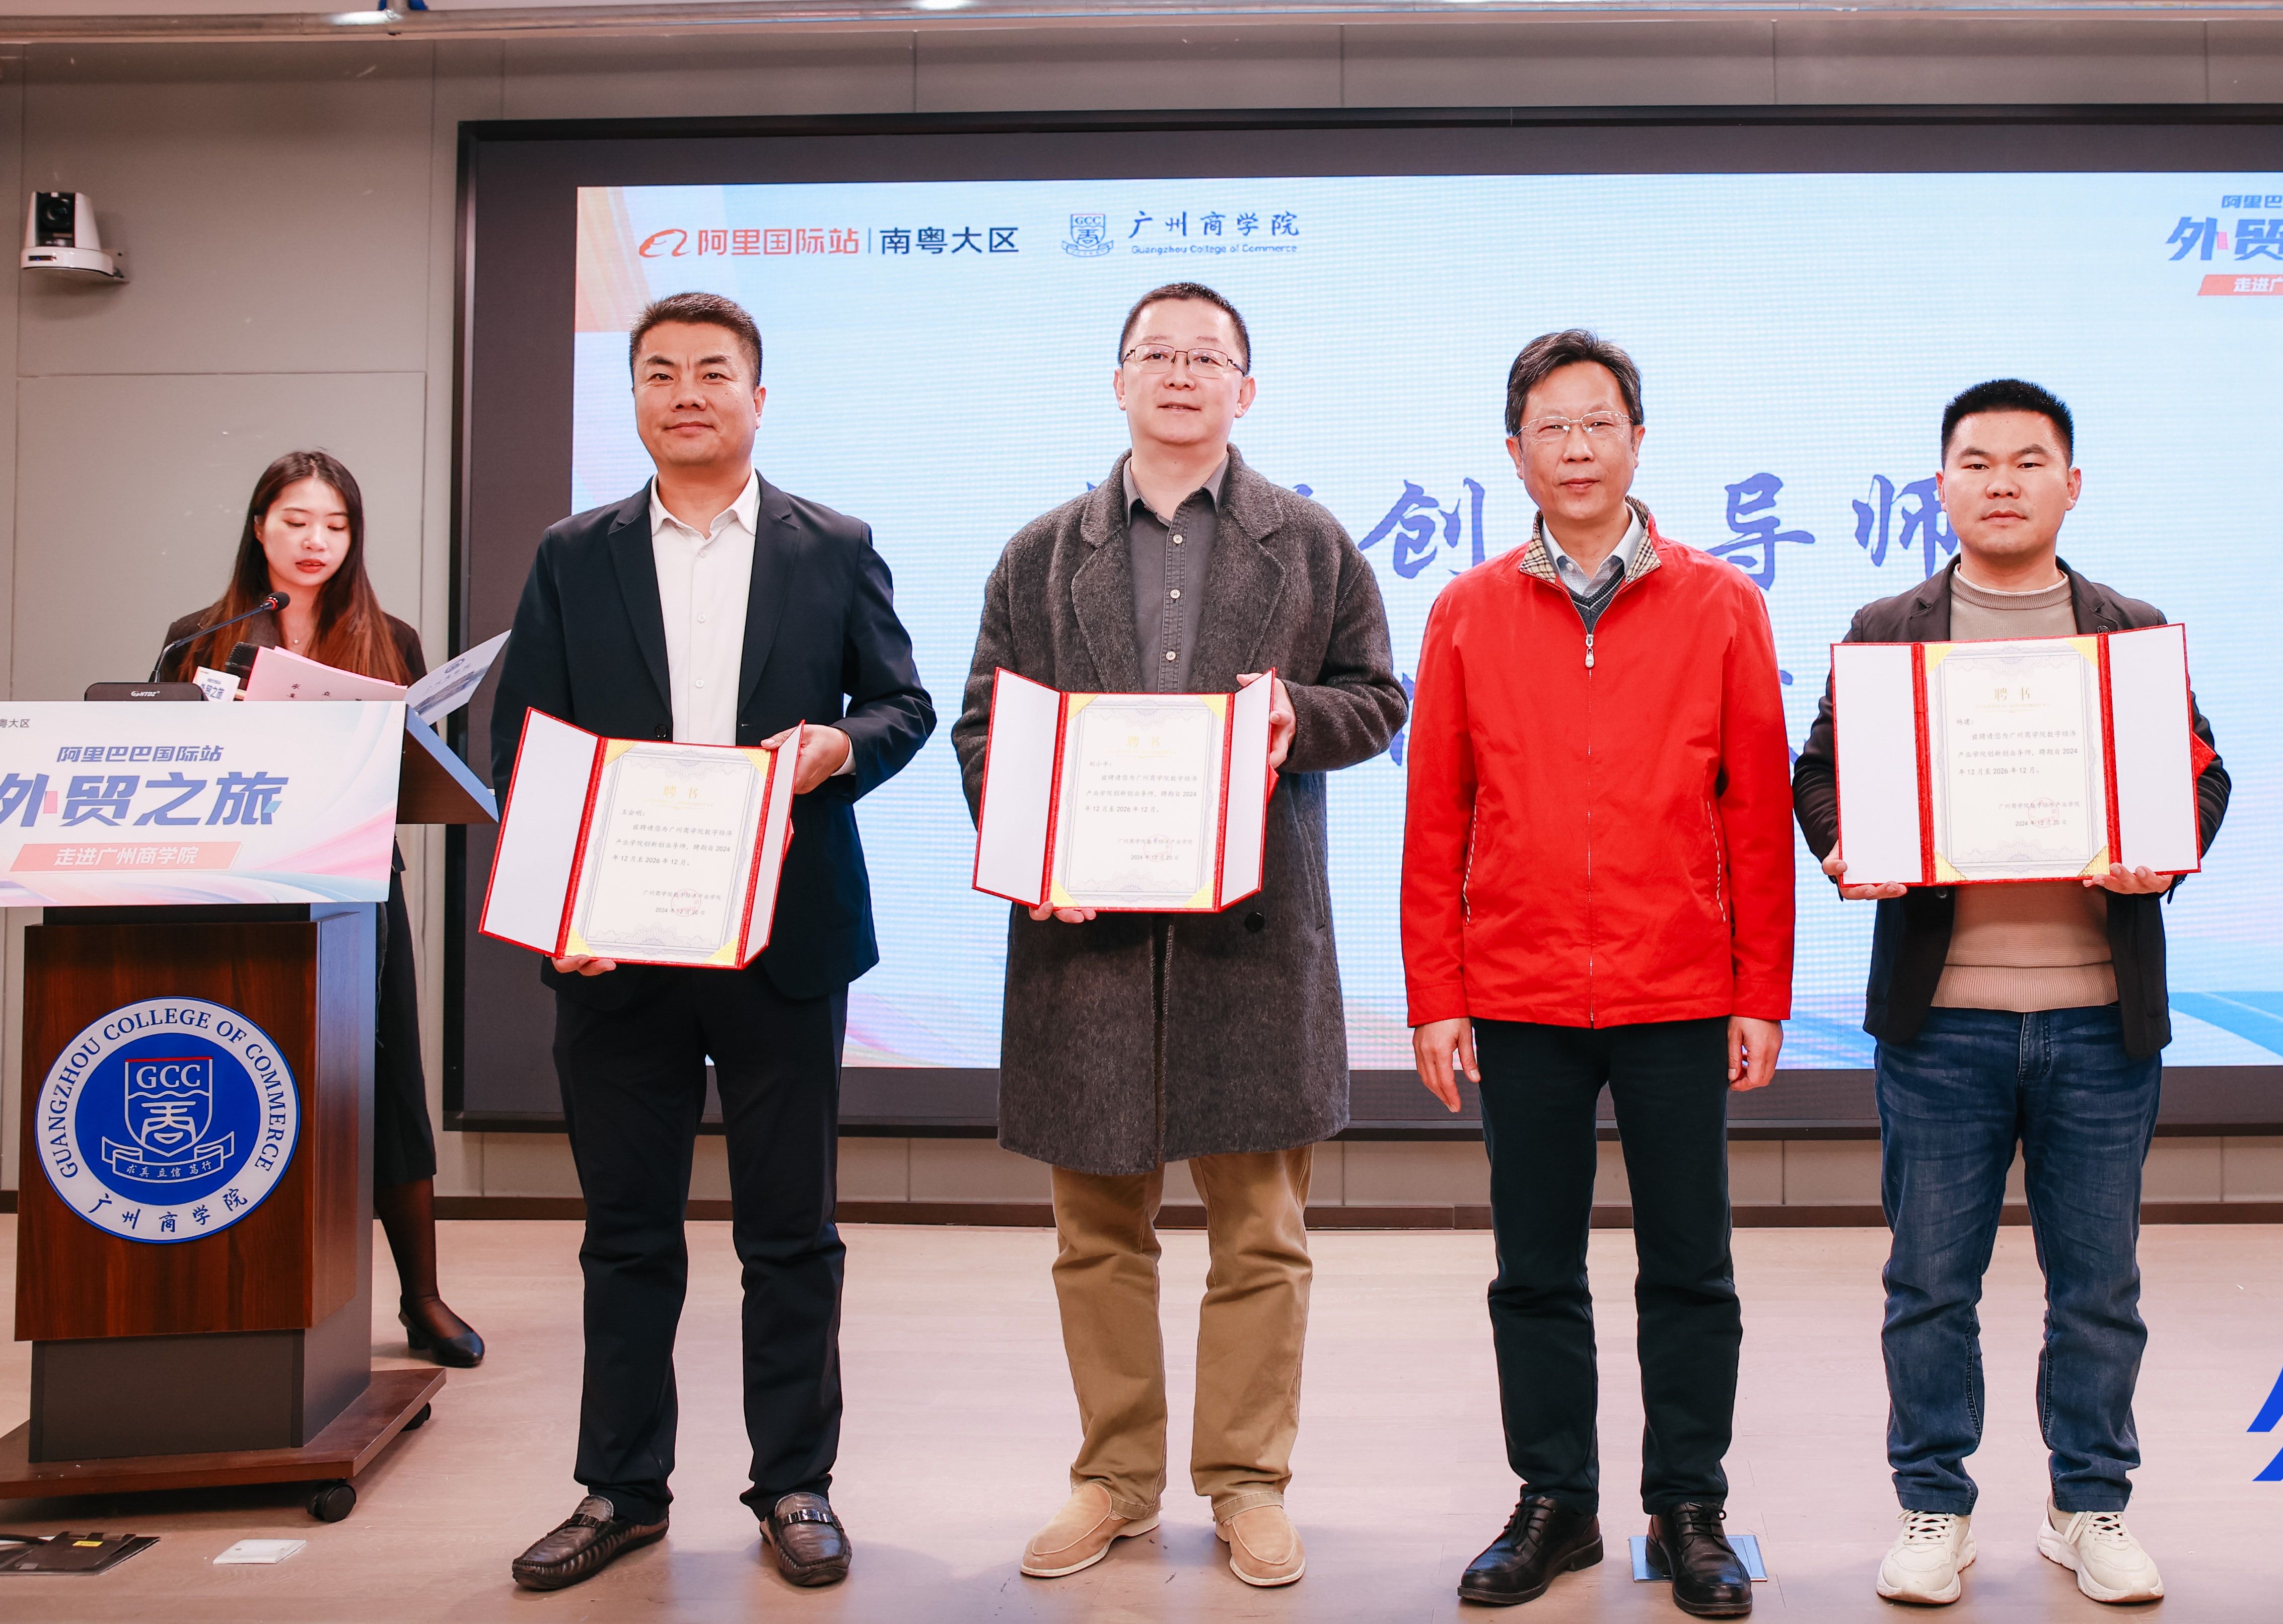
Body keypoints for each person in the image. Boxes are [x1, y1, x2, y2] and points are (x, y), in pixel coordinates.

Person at [952, 280, 1405, 1591]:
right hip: (1085, 943)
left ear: (1245, 389)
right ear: (1119, 380)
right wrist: (1032, 849)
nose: (1181, 373)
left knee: (1261, 1234)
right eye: (1156, 352)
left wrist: (1297, 719)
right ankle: (1114, 1477)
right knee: (1097, 1234)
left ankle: (1249, 1481)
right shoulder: (1041, 553)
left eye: (1209, 356)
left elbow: (1379, 698)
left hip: (1249, 939)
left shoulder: (1308, 542)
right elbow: (986, 726)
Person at [488, 292, 935, 1594]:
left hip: (782, 939)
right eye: (661, 373)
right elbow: (528, 742)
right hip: (617, 946)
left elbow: (903, 704)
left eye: (713, 372)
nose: (687, 392)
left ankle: (795, 1483)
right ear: (634, 396)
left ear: (758, 396)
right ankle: (621, 1490)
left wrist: (839, 747)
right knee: (626, 1234)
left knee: (789, 1234)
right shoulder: (574, 554)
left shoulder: (832, 546)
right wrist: (560, 911)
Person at [1793, 378, 2227, 1609]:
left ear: (2071, 486)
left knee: (2099, 1288)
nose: (2002, 482)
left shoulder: (2130, 628)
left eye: (2029, 461)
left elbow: (2204, 774)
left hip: (2100, 1016)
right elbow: (1819, 770)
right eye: (1976, 462)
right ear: (1941, 486)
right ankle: (1934, 1504)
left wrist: (2168, 848)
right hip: (1943, 1021)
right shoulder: (1890, 628)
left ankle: (2088, 1504)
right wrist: (1843, 843)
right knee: (1931, 1283)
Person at [1402, 330, 1793, 1620]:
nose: (1576, 447)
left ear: (1638, 440)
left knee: (1691, 1266)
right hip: (1518, 993)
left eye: (1599, 423)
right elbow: (1437, 817)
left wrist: (1761, 989)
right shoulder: (1466, 611)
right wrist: (1437, 993)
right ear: (1514, 453)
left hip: (1678, 987)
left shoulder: (1721, 603)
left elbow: (1754, 815)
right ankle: (1555, 1501)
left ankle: (1690, 1506)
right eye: (1551, 428)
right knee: (1534, 1269)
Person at [161, 450, 486, 1370]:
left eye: (336, 526)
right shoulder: (201, 636)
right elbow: (164, 761)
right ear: (258, 526)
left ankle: (421, 1297)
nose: (316, 541)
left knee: (388, 1086)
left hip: (358, 886)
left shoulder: (391, 638)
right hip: (245, 891)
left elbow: (421, 770)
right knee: (256, 1082)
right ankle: (245, 1290)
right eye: (296, 521)